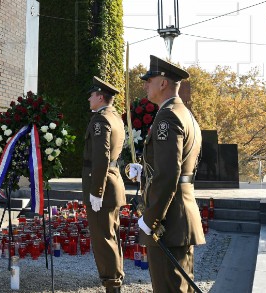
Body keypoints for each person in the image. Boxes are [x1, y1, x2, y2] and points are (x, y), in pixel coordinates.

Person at [129, 55, 205, 293]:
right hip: (181, 213)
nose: (145, 84)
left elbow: (169, 174)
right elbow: (179, 167)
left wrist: (151, 219)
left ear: (163, 82)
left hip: (168, 219)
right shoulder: (186, 114)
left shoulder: (167, 116)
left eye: (149, 79)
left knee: (169, 288)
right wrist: (145, 172)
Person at [82, 76, 127, 293]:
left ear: (100, 96)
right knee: (111, 236)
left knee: (103, 239)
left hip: (103, 186)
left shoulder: (100, 120)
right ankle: (115, 281)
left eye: (91, 95)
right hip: (113, 183)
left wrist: (96, 191)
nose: (89, 98)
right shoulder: (115, 117)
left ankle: (112, 285)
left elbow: (101, 156)